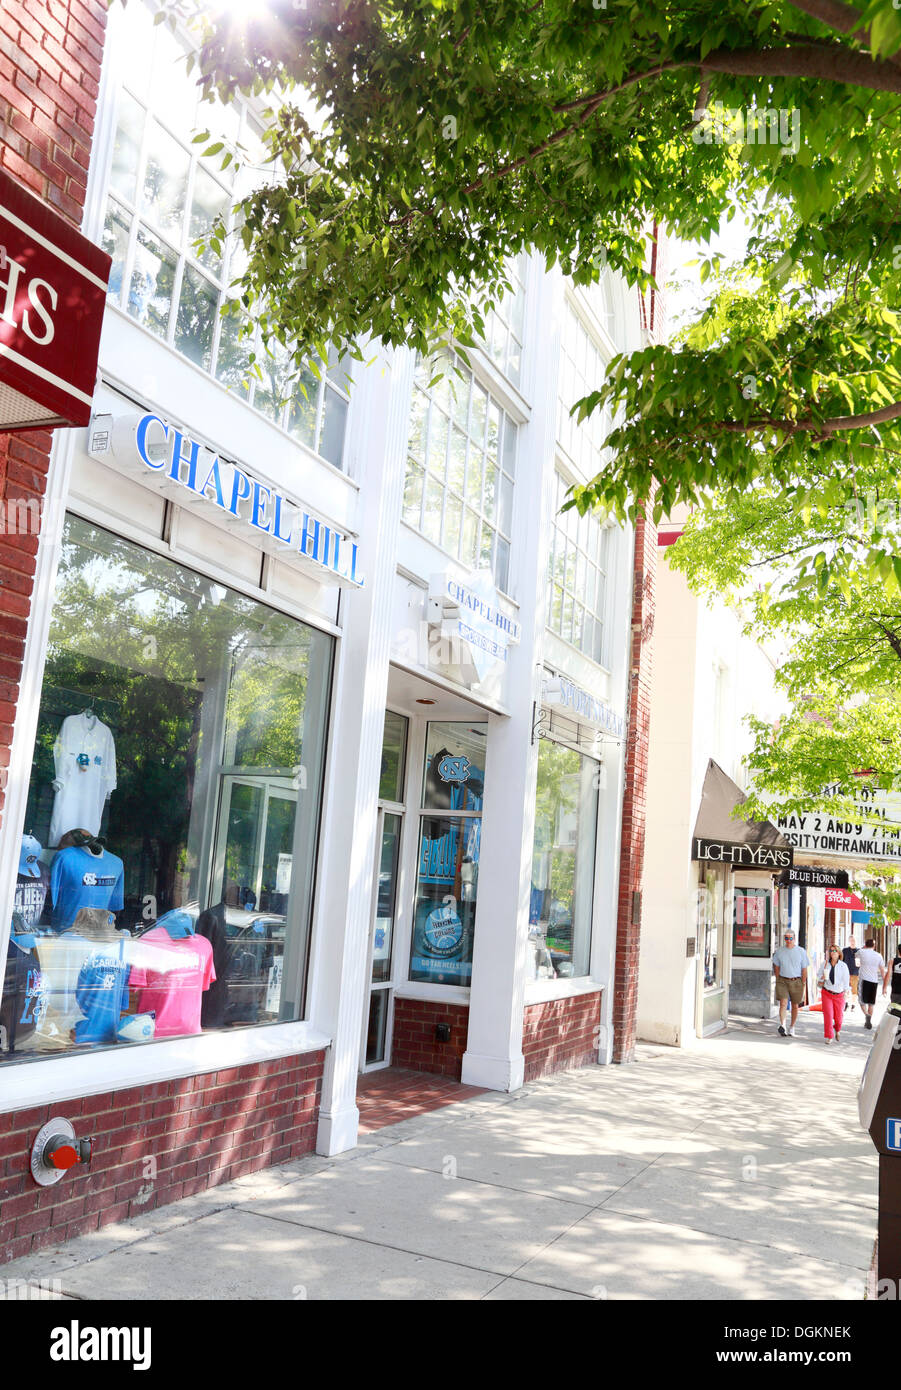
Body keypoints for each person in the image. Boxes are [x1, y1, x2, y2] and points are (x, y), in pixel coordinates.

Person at [772, 929, 809, 1037]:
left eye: (790, 938)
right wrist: (778, 979)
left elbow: (804, 969)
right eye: (786, 938)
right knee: (783, 1003)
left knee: (795, 1005)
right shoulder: (780, 951)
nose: (788, 940)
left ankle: (792, 1026)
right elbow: (776, 966)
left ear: (794, 939)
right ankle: (783, 1025)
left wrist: (803, 982)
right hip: (783, 980)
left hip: (796, 980)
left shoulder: (801, 951)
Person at [818, 944, 850, 1044]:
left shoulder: (843, 966)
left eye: (835, 950)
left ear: (839, 952)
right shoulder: (825, 964)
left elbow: (846, 981)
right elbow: (818, 977)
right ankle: (829, 1036)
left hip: (839, 994)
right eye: (831, 951)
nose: (832, 952)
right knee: (828, 1015)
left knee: (838, 1018)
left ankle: (837, 1029)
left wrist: (846, 992)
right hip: (827, 992)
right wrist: (822, 977)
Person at [858, 937, 888, 1030]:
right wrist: (884, 984)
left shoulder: (861, 952)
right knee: (871, 1003)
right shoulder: (879, 955)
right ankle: (869, 1019)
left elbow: (855, 955)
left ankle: (866, 1015)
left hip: (863, 980)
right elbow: (883, 970)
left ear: (865, 945)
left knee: (862, 1001)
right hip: (874, 981)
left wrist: (863, 948)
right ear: (874, 946)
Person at [842, 936, 860, 1011]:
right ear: (849, 941)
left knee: (854, 990)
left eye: (854, 940)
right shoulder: (845, 950)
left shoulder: (859, 951)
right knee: (845, 989)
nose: (852, 942)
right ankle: (845, 1003)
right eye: (851, 940)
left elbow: (861, 962)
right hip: (846, 972)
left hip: (855, 972)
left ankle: (853, 1004)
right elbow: (841, 961)